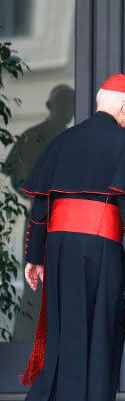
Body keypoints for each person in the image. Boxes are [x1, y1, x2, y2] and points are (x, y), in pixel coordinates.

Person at [20, 74, 125, 401]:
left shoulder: (62, 140)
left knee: (68, 327)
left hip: (59, 248)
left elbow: (40, 207)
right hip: (99, 246)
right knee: (103, 328)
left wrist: (34, 257)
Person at [2, 84, 75, 341]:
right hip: (41, 221)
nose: (67, 110)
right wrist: (33, 196)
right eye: (63, 104)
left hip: (70, 222)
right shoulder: (33, 136)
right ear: (52, 105)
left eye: (71, 105)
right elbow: (14, 174)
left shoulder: (74, 139)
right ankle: (24, 342)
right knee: (36, 285)